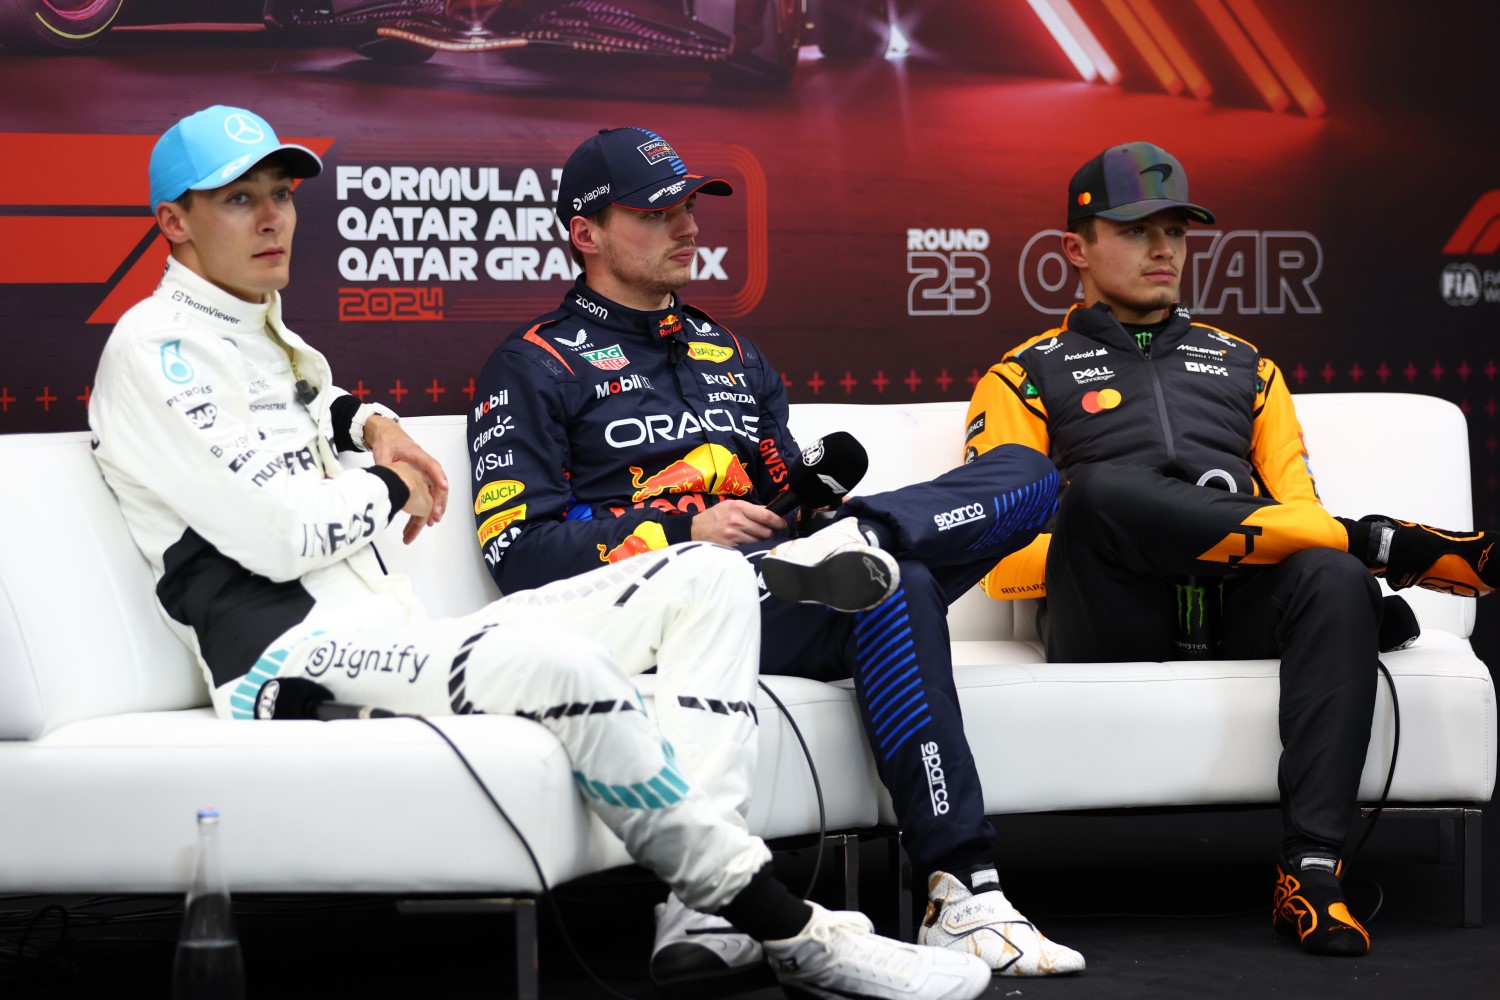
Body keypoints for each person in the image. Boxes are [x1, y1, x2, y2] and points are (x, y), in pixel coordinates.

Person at [88, 105, 998, 1000]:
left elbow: (312, 395)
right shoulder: (152, 348)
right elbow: (283, 537)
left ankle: (701, 914)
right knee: (560, 666)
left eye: (280, 194)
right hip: (286, 664)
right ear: (174, 222)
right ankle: (789, 927)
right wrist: (393, 484)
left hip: (392, 630)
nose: (273, 217)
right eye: (239, 200)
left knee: (713, 576)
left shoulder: (271, 335)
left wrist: (372, 421)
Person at [469, 125, 1088, 982]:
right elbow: (519, 552)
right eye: (657, 212)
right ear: (587, 233)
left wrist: (809, 508)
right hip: (659, 611)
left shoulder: (733, 353)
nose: (687, 226)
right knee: (894, 587)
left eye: (690, 206)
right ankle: (965, 880)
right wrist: (687, 532)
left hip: (778, 587)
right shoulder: (530, 366)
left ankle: (960, 897)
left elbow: (777, 496)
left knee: (1024, 477)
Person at [964, 140, 1500, 958]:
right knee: (1102, 495)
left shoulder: (1249, 368)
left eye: (1177, 231)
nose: (1163, 250)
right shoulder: (1023, 375)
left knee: (1332, 576)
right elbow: (1005, 563)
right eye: (1137, 229)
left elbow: (1299, 516)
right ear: (1075, 246)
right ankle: (1387, 544)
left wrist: (1235, 547)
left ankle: (1312, 875)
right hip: (1109, 615)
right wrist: (1145, 537)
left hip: (1240, 606)